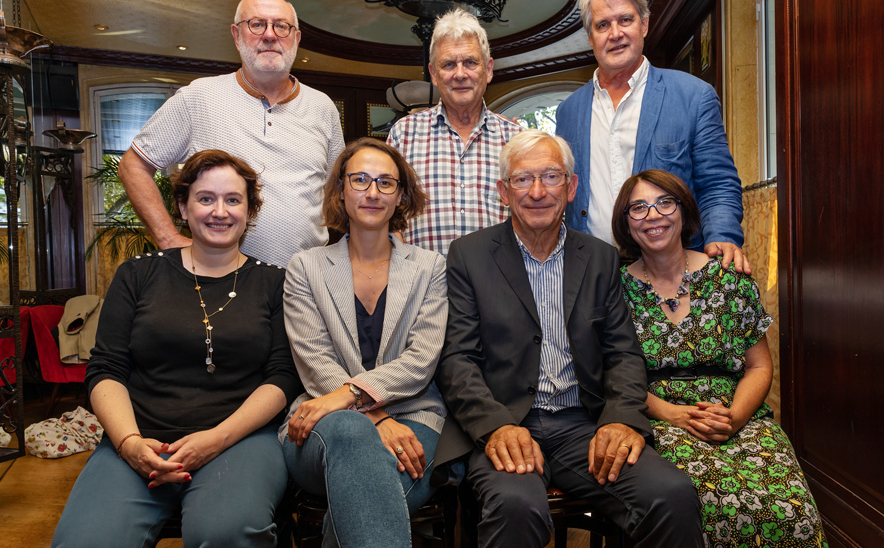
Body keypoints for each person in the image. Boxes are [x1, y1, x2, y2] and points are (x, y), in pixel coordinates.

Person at [433, 129, 702, 547]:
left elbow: (624, 355)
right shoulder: (468, 255)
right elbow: (457, 360)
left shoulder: (599, 257)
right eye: (523, 179)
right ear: (504, 192)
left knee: (671, 495)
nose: (537, 191)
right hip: (509, 422)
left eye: (551, 177)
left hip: (585, 425)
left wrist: (620, 419)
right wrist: (496, 427)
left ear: (571, 186)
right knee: (515, 507)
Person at [52, 150, 301, 548]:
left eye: (233, 200)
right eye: (205, 198)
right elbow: (106, 369)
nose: (219, 211)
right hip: (140, 439)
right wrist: (130, 444)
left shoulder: (275, 282)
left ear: (250, 210)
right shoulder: (138, 273)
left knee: (227, 534)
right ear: (182, 207)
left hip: (239, 441)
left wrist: (216, 439)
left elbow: (283, 376)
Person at [612, 169, 827, 547]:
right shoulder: (612, 288)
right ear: (626, 224)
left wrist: (734, 418)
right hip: (658, 417)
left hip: (737, 415)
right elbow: (609, 374)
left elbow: (759, 366)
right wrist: (675, 414)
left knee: (792, 509)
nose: (653, 215)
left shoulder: (729, 276)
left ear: (684, 212)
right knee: (708, 503)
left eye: (665, 203)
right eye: (638, 208)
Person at [280, 137, 448, 547]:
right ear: (340, 190)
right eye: (360, 180)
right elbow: (314, 359)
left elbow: (421, 359)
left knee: (361, 502)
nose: (372, 192)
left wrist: (354, 395)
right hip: (323, 422)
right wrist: (373, 417)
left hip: (414, 417)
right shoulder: (306, 267)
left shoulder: (430, 267)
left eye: (386, 183)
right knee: (354, 438)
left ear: (401, 196)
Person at [118, 0, 344, 267]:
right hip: (219, 281)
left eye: (281, 26)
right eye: (257, 24)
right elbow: (133, 166)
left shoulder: (323, 107)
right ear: (237, 36)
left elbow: (341, 192)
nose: (270, 35)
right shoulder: (199, 97)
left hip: (305, 282)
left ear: (296, 39)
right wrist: (167, 238)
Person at [555, 0, 750, 274]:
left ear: (644, 25)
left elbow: (718, 183)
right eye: (602, 25)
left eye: (625, 20)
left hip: (673, 273)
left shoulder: (694, 97)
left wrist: (723, 236)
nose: (615, 33)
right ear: (591, 36)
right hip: (592, 275)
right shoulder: (568, 112)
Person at [387, 8, 522, 257]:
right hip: (422, 288)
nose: (460, 74)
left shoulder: (515, 140)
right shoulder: (403, 135)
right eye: (449, 64)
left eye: (470, 62)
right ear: (434, 74)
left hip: (497, 288)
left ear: (488, 69)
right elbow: (386, 214)